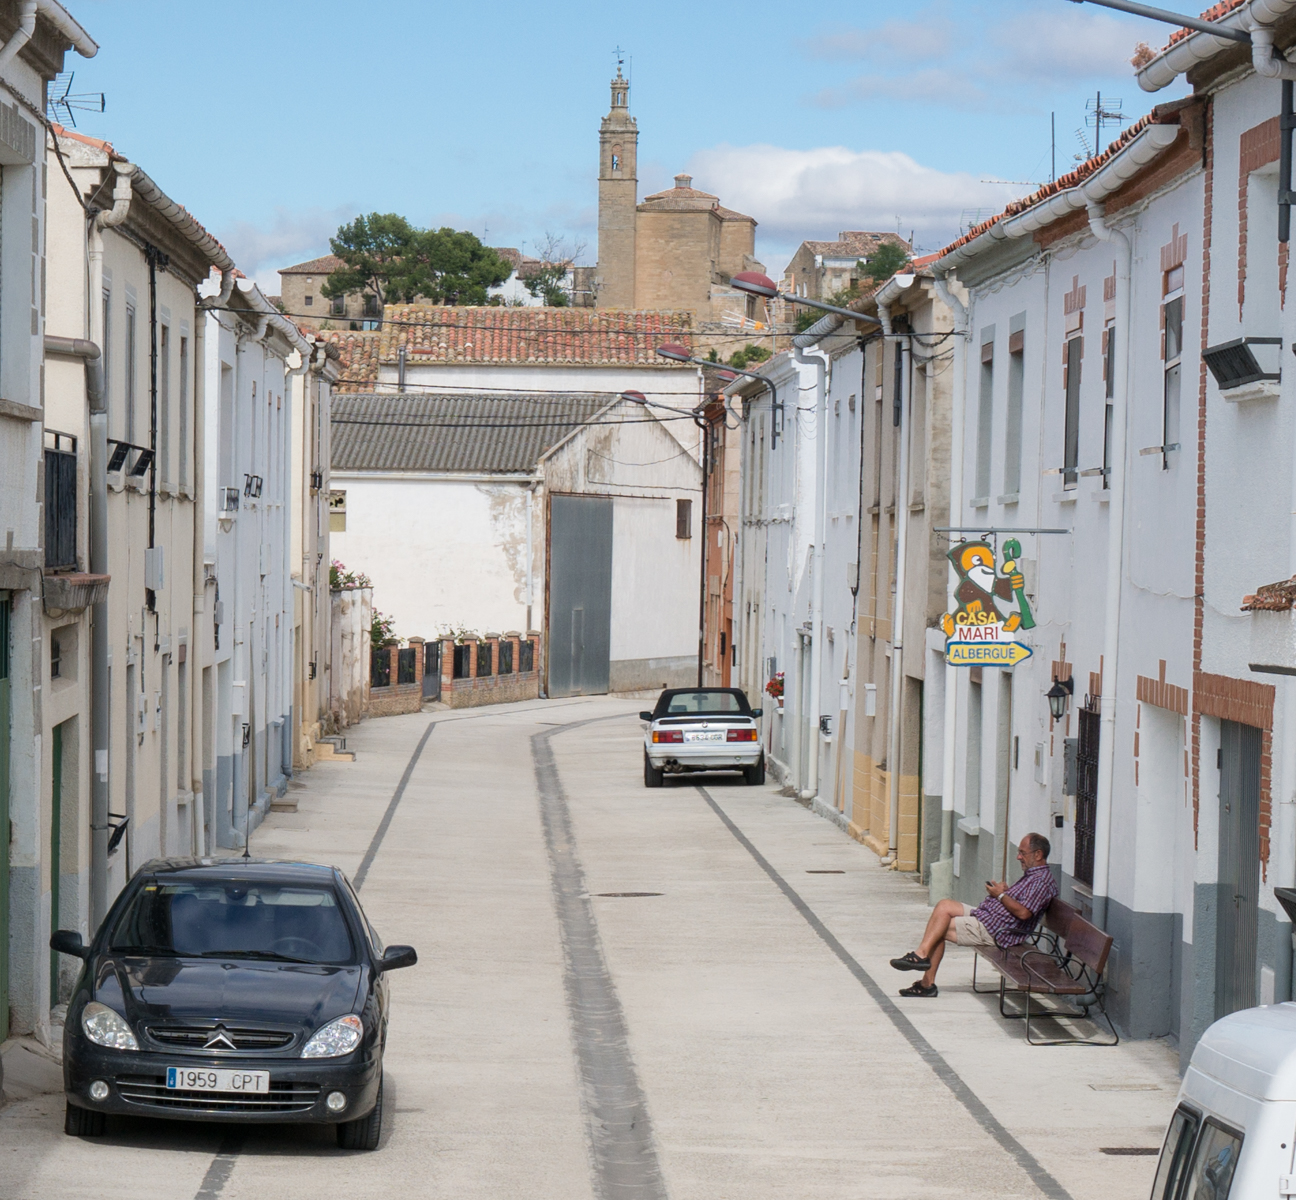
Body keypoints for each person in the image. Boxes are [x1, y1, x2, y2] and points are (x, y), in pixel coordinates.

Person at [889, 832, 1058, 998]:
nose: (1018, 857)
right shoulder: (1034, 876)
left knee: (939, 928)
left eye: (1022, 853)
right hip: (989, 917)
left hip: (998, 930)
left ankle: (925, 977)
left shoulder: (1040, 881)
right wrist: (1005, 893)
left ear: (1038, 854)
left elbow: (1023, 913)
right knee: (944, 905)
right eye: (1019, 852)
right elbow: (1022, 904)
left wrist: (1000, 895)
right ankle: (922, 957)